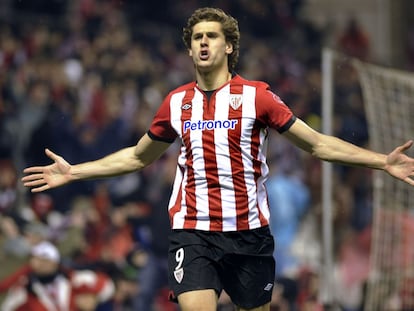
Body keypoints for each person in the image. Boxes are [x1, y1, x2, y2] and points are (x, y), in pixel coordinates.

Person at [21, 7, 414, 311]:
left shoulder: (257, 97)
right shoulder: (176, 103)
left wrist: (381, 161)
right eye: (196, 37)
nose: (203, 42)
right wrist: (75, 172)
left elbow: (316, 145)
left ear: (228, 46)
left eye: (211, 36)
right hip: (193, 232)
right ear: (189, 47)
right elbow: (140, 156)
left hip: (249, 234)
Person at [0, 241, 115, 311]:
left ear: (54, 263)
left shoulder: (72, 279)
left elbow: (107, 286)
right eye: (35, 259)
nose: (37, 264)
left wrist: (93, 298)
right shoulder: (24, 289)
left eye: (43, 260)